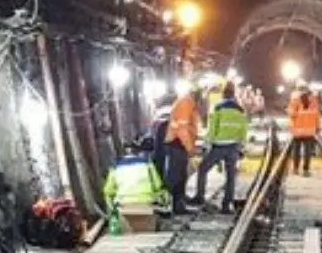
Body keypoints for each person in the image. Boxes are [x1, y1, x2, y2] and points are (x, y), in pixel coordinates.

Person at [189, 82, 249, 213]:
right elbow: (244, 131)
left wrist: (206, 144)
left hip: (219, 146)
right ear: (234, 95)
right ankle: (226, 205)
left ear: (223, 94)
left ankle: (200, 196)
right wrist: (242, 147)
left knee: (202, 169)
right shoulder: (240, 111)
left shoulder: (218, 108)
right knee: (231, 176)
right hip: (233, 147)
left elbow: (212, 129)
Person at [102, 141, 167, 219]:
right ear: (138, 151)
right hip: (146, 202)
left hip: (124, 203)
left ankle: (115, 217)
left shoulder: (115, 166)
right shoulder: (147, 163)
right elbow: (158, 185)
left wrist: (112, 207)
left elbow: (108, 191)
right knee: (163, 193)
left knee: (108, 196)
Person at [162, 87, 200, 215]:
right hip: (177, 144)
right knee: (175, 178)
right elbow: (182, 128)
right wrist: (189, 148)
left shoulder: (188, 103)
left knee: (180, 176)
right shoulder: (186, 103)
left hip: (178, 144)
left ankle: (178, 206)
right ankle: (165, 206)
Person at [286, 83, 320, 176]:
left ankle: (295, 169)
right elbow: (317, 115)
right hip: (309, 130)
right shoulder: (314, 101)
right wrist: (318, 127)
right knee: (307, 151)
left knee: (296, 150)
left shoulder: (295, 100)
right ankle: (306, 170)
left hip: (297, 130)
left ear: (298, 90)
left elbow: (291, 114)